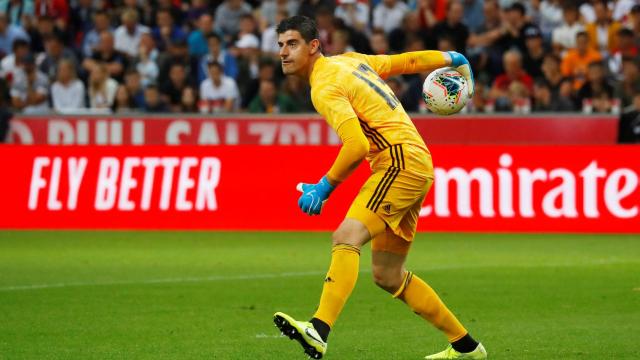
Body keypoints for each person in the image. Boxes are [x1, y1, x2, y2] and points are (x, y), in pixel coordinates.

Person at [272, 15, 486, 360]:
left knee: (346, 237)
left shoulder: (324, 86)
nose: (283, 52)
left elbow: (355, 145)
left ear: (314, 46)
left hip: (398, 162)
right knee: (388, 275)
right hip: (415, 161)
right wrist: (453, 58)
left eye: (292, 43)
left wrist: (324, 187)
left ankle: (318, 329)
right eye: (280, 45)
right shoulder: (353, 61)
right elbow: (409, 61)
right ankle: (467, 348)